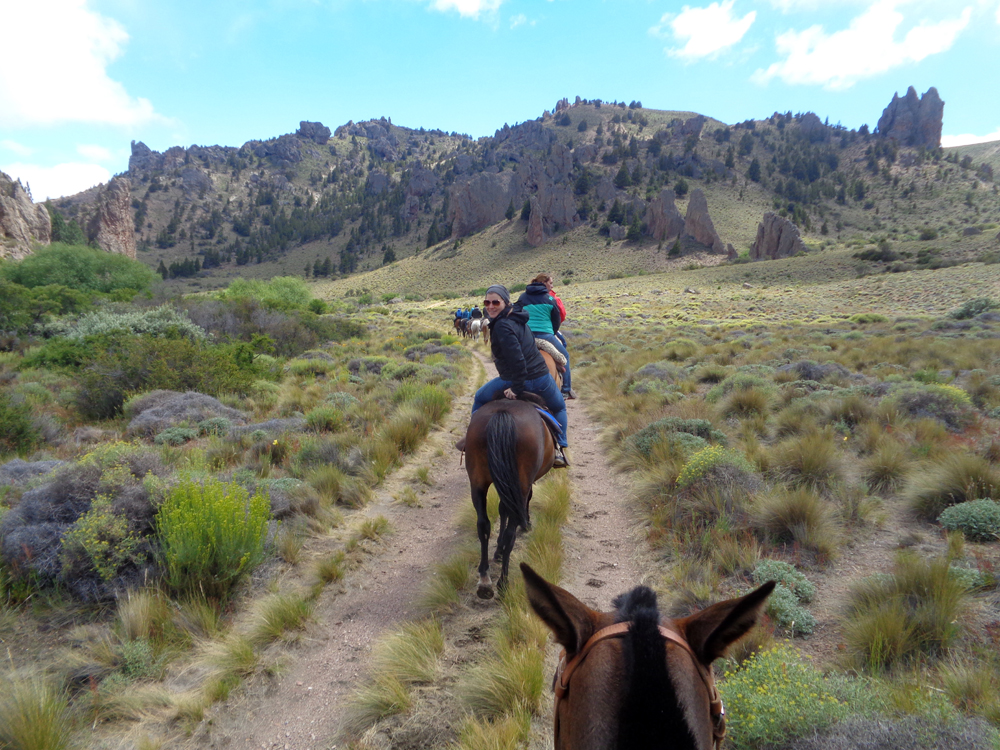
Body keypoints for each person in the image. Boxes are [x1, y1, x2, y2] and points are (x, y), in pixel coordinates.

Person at [461, 284, 569, 467]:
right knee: (559, 408)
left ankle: (471, 441)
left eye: (496, 302)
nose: (490, 306)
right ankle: (560, 447)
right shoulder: (518, 316)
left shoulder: (502, 326)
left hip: (516, 379)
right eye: (487, 302)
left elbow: (518, 360)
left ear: (505, 302)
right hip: (542, 378)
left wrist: (517, 387)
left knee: (479, 397)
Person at [514, 275, 576, 399]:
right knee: (565, 356)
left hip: (527, 336)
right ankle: (566, 389)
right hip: (546, 335)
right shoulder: (550, 299)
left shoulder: (522, 297)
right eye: (550, 283)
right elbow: (556, 320)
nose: (552, 286)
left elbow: (516, 315)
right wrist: (552, 332)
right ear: (543, 283)